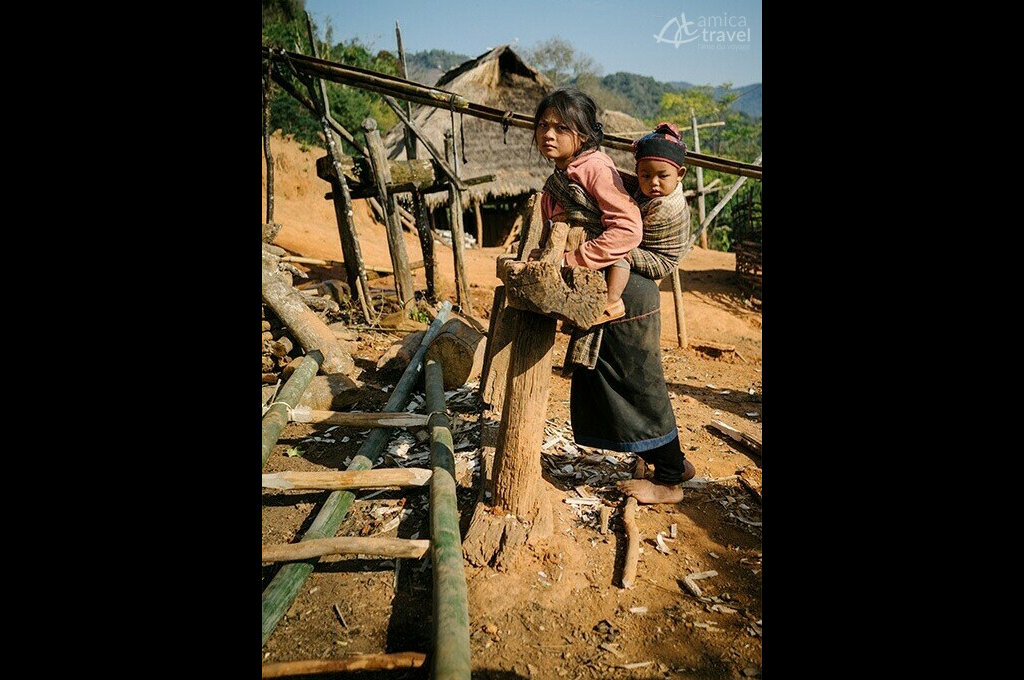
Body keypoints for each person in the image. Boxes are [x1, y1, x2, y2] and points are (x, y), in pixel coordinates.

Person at [532, 88, 695, 503]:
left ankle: (670, 480)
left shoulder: (595, 169)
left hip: (628, 299)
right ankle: (667, 460)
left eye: (561, 127)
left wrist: (577, 258)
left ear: (584, 134)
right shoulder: (569, 172)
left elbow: (627, 231)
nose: (549, 134)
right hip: (611, 293)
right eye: (543, 125)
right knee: (617, 383)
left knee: (636, 386)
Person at [602, 122, 695, 320]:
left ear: (680, 174)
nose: (653, 182)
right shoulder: (649, 189)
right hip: (647, 247)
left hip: (659, 257)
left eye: (662, 176)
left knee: (618, 250)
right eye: (645, 175)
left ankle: (611, 301)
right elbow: (627, 182)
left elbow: (633, 237)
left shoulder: (666, 206)